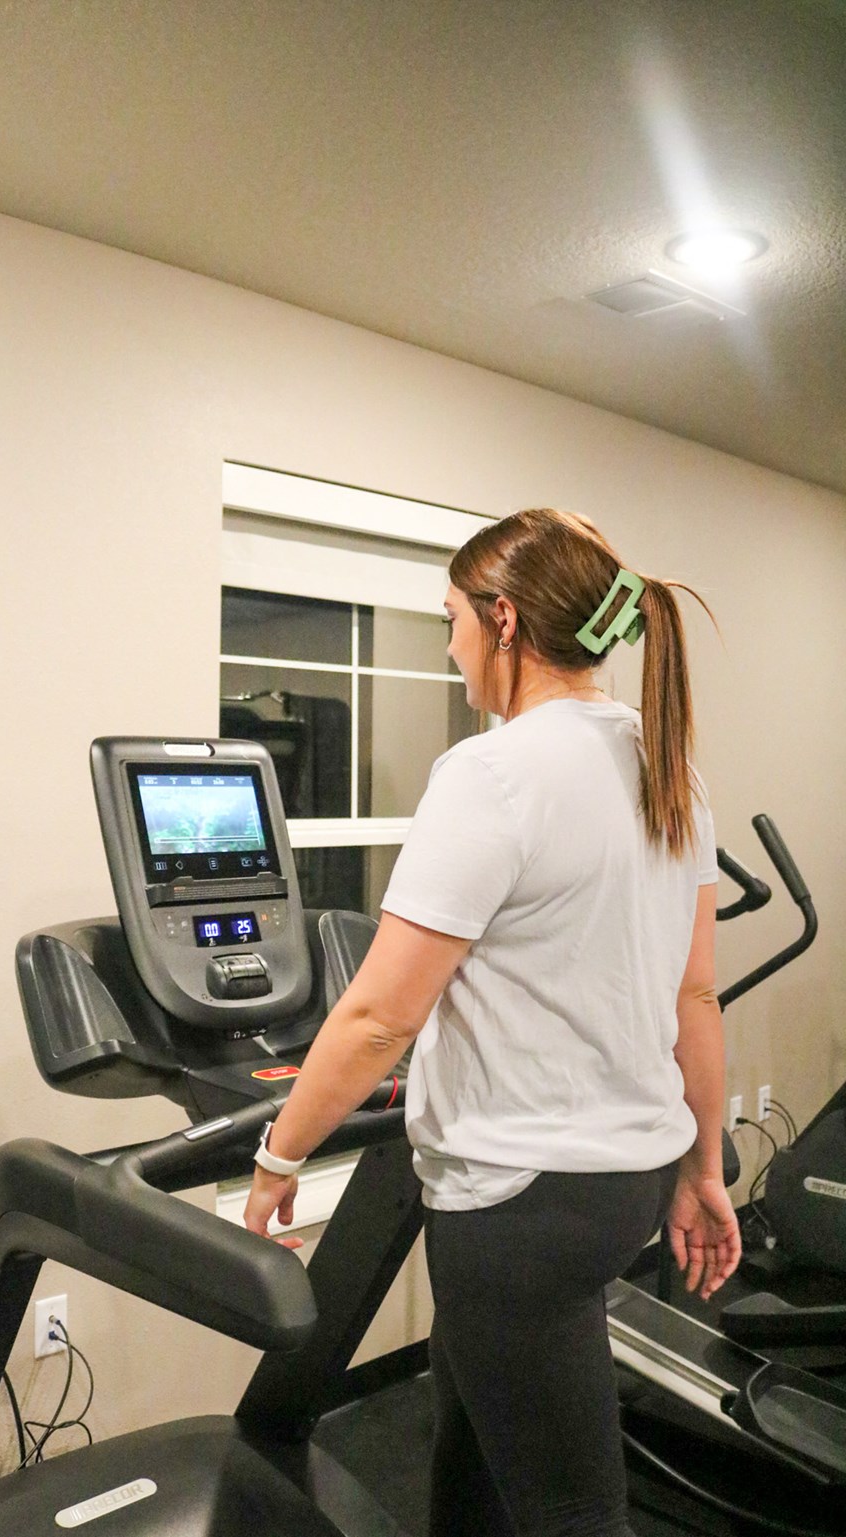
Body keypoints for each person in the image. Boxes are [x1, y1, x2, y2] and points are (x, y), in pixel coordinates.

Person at [244, 507, 741, 1537]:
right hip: (626, 1181)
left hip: (518, 1205)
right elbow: (692, 996)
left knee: (570, 1513)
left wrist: (278, 1156)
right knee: (471, 1449)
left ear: (504, 620)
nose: (447, 644)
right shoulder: (665, 761)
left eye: (453, 619)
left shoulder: (492, 772)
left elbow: (382, 1014)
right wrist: (702, 1169)